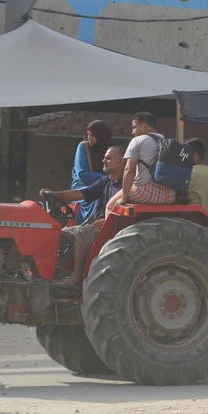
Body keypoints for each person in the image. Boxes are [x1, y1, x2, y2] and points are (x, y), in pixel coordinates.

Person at [41, 145, 124, 287]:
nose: (103, 160)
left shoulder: (126, 184)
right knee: (60, 234)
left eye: (108, 158)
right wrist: (55, 194)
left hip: (112, 226)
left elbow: (128, 207)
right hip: (99, 223)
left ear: (120, 162)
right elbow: (80, 194)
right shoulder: (105, 181)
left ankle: (75, 279)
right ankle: (56, 274)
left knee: (79, 232)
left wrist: (109, 220)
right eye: (104, 157)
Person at [114, 111, 176, 209]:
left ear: (144, 126)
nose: (132, 132)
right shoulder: (167, 141)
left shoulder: (138, 140)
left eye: (134, 127)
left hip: (146, 192)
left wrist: (124, 198)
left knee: (111, 205)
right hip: (169, 196)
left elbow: (129, 170)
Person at [71, 120, 112, 224]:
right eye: (88, 135)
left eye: (93, 135)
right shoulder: (83, 147)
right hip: (83, 185)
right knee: (97, 197)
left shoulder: (110, 150)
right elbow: (83, 175)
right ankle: (87, 227)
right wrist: (105, 178)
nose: (89, 138)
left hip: (105, 184)